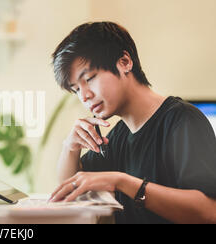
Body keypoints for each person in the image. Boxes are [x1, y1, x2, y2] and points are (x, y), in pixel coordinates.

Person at [49, 21, 216, 224]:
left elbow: (208, 211)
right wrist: (70, 147)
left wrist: (123, 182)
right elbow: (71, 190)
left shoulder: (182, 120)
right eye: (76, 89)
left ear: (125, 62)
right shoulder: (119, 135)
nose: (84, 96)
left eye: (90, 78)